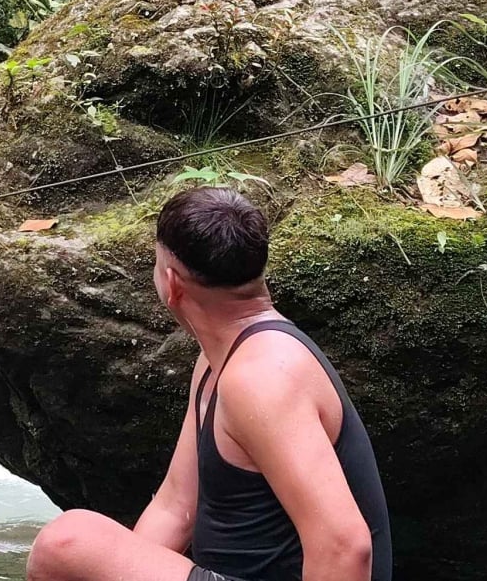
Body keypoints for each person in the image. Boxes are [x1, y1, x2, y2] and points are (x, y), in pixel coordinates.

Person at [26, 187, 391, 581]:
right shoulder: (219, 360)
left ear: (171, 283)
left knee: (66, 542)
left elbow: (345, 546)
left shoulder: (263, 375)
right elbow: (175, 506)